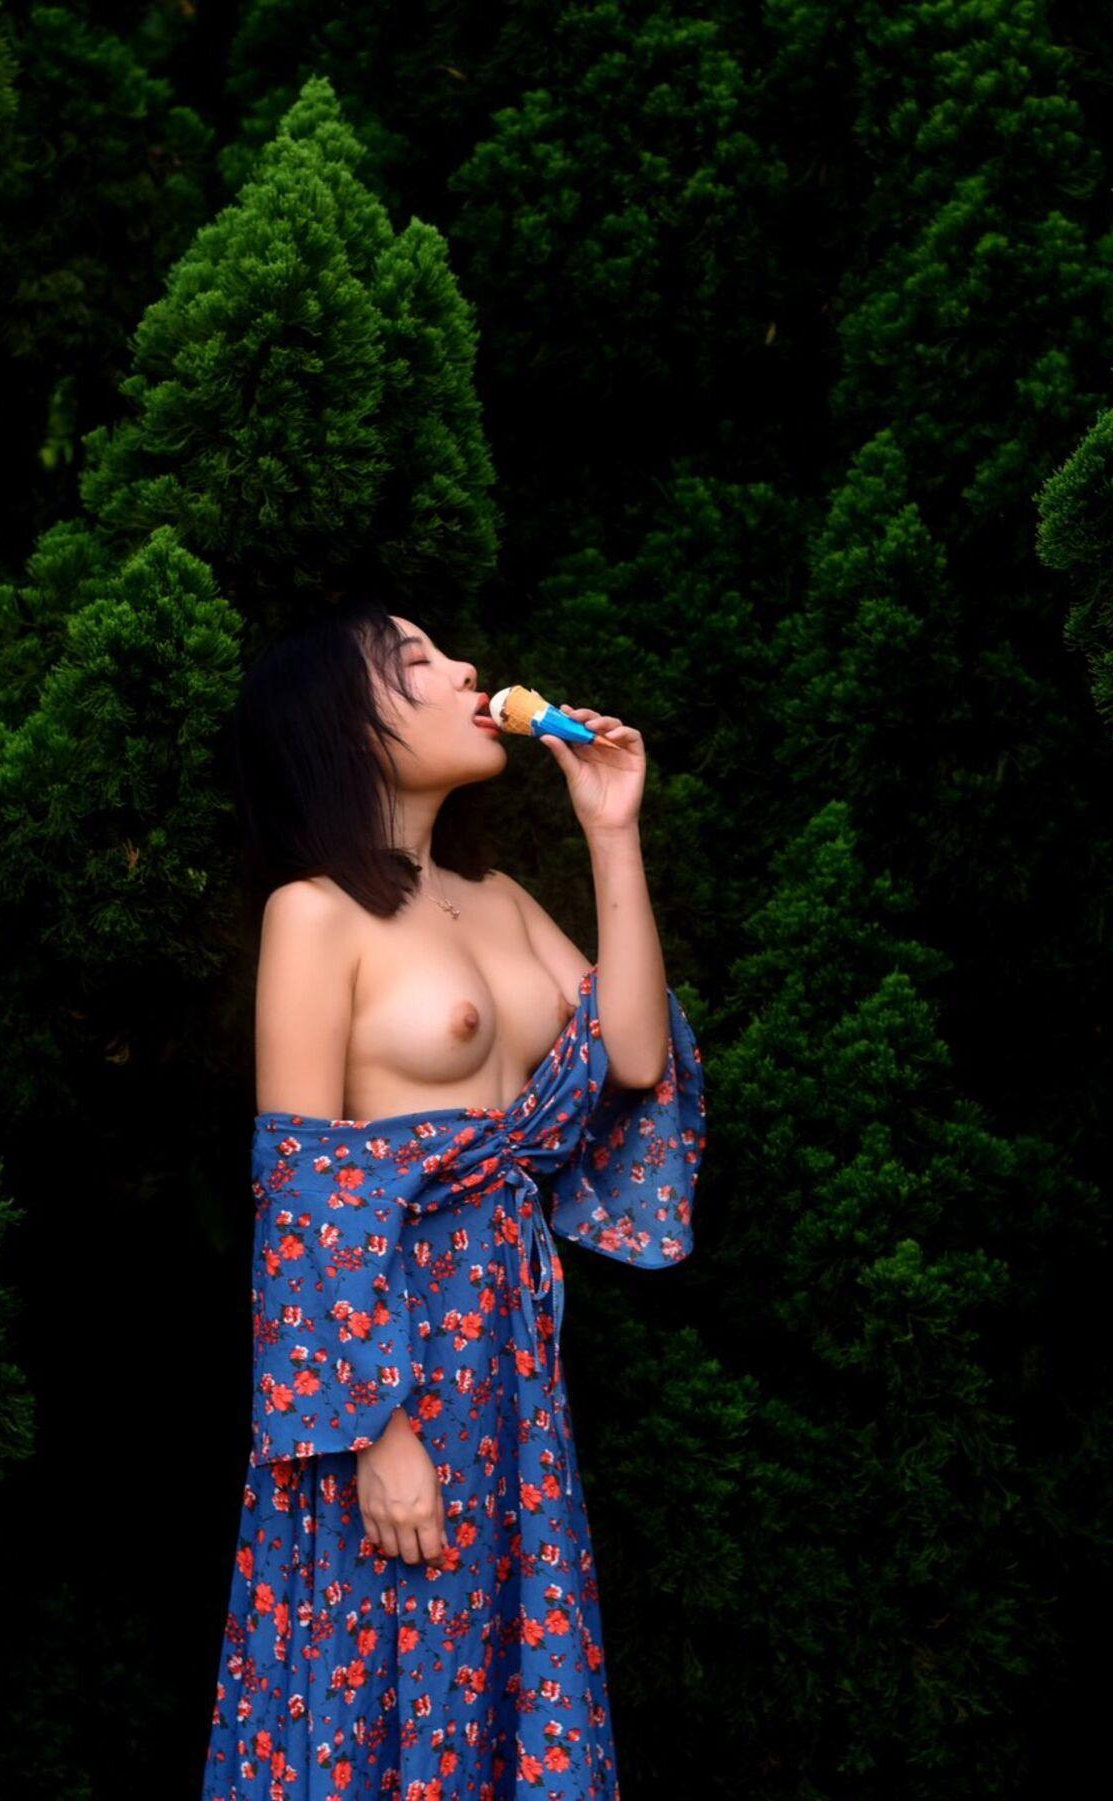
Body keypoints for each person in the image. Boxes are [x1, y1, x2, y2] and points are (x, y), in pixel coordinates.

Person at [205, 600, 708, 1798]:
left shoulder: (500, 899)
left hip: (508, 1362)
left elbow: (636, 1055)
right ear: (345, 726)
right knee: (372, 1674)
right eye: (415, 661)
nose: (464, 667)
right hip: (378, 1365)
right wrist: (374, 1433)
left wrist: (612, 830)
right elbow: (301, 1190)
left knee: (498, 1667)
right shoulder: (315, 914)